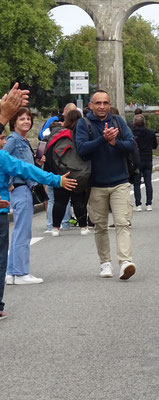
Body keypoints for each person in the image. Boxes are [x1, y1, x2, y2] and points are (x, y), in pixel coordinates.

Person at [0, 83, 77, 312]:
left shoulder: (8, 151)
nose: (3, 143)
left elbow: (29, 169)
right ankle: (18, 273)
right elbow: (26, 171)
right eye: (21, 119)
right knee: (19, 235)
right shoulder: (11, 146)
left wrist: (54, 179)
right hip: (17, 195)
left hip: (6, 208)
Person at [75, 90, 137, 280]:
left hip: (120, 182)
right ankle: (105, 263)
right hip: (95, 184)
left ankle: (125, 262)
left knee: (122, 223)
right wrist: (103, 139)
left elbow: (130, 144)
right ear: (90, 105)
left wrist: (114, 143)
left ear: (110, 104)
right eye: (98, 103)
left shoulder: (118, 121)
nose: (102, 106)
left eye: (105, 103)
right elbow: (82, 148)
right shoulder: (83, 123)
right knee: (100, 226)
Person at [4, 107, 48, 284]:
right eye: (22, 119)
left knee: (19, 231)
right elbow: (2, 159)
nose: (27, 122)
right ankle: (20, 272)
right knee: (22, 232)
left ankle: (12, 272)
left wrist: (36, 162)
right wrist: (9, 183)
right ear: (14, 122)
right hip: (20, 189)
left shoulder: (22, 141)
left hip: (24, 188)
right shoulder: (13, 140)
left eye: (28, 119)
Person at [45, 109, 91, 236]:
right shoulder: (81, 134)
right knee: (78, 200)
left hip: (60, 173)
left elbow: (47, 152)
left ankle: (55, 228)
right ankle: (83, 226)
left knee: (59, 201)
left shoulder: (57, 134)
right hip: (78, 173)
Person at [132, 114, 157, 212]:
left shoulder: (132, 134)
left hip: (137, 160)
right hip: (148, 159)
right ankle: (149, 204)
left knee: (136, 183)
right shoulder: (151, 133)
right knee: (148, 182)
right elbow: (155, 146)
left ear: (134, 123)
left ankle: (138, 204)